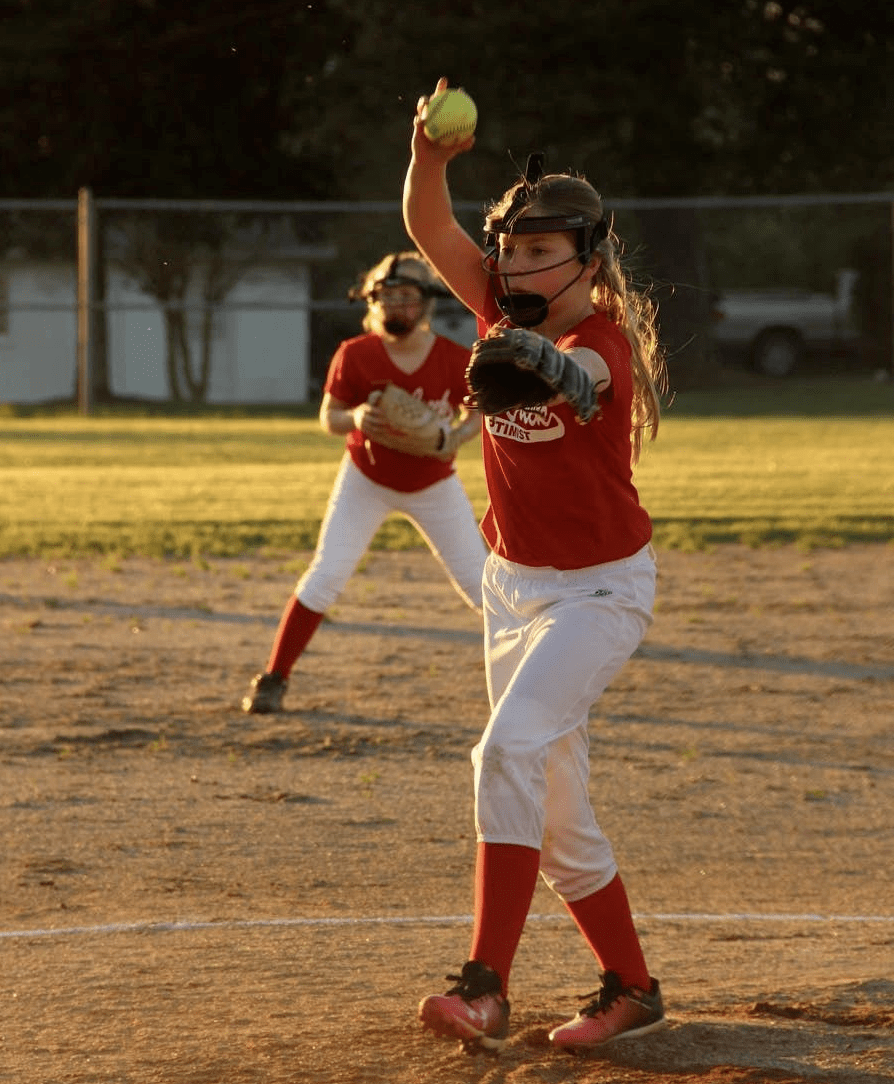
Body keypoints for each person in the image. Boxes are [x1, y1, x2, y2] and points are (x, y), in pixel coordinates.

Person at [403, 78, 669, 1055]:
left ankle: (483, 989)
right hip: (510, 589)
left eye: (539, 250)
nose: (514, 263)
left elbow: (590, 378)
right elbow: (428, 228)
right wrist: (429, 159)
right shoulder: (489, 303)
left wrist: (543, 361)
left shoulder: (596, 336)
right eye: (508, 246)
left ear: (589, 263)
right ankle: (631, 989)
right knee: (555, 817)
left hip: (599, 591)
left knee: (503, 751)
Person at [242, 250, 487, 714]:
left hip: (434, 483)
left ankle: (528, 677)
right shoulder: (356, 354)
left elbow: (475, 411)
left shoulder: (454, 359)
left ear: (427, 302)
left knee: (480, 585)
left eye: (407, 297)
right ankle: (274, 677)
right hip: (366, 478)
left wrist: (457, 435)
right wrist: (354, 416)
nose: (396, 306)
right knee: (326, 576)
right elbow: (328, 417)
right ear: (372, 302)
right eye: (386, 297)